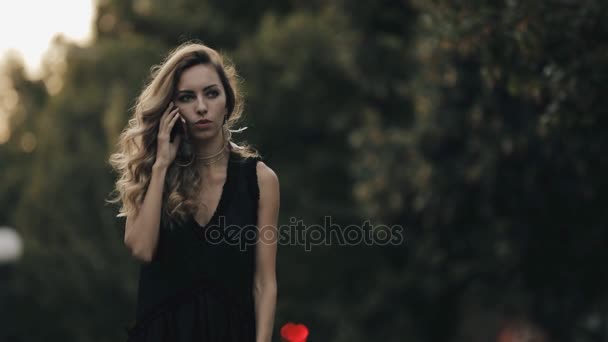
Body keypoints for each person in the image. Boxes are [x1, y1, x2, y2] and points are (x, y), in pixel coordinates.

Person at [107, 41, 279, 342]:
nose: (201, 106)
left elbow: (263, 282)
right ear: (172, 108)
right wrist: (161, 165)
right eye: (188, 97)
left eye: (211, 93)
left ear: (228, 101)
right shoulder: (155, 169)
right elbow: (142, 249)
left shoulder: (260, 180)